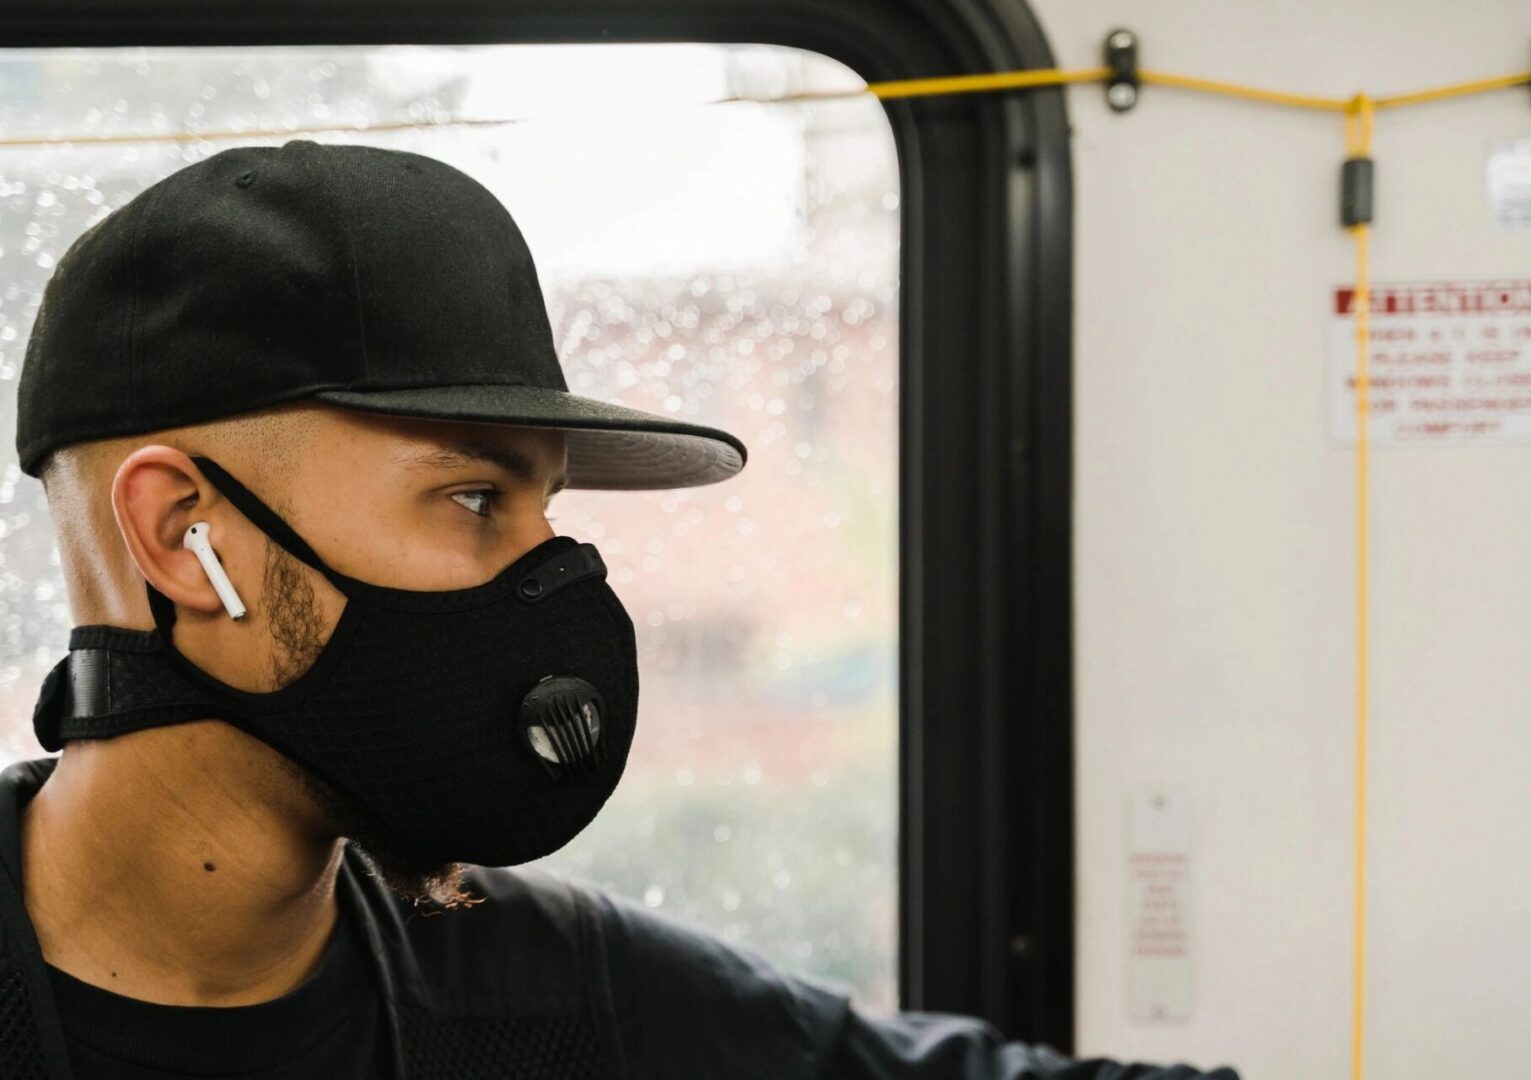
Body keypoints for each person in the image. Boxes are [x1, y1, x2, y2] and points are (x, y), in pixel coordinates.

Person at [0, 138, 1241, 1079]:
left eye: (547, 510)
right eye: (474, 496)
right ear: (181, 533)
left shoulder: (554, 998)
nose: (557, 586)